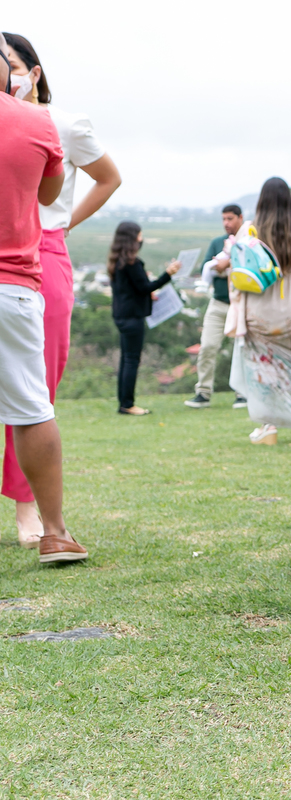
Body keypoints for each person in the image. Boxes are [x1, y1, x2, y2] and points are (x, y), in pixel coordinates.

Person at [1, 33, 121, 547]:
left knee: (35, 388)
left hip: (40, 251)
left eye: (11, 63)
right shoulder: (33, 125)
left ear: (34, 70)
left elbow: (107, 178)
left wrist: (62, 225)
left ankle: (28, 509)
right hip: (16, 266)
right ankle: (50, 526)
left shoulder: (63, 124)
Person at [0, 32, 87, 562]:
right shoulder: (37, 122)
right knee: (32, 406)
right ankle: (53, 532)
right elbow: (49, 194)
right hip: (15, 285)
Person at [224, 178, 291, 446]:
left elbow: (237, 268)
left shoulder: (251, 229)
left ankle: (269, 427)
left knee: (262, 366)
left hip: (260, 305)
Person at [109, 222, 181, 416]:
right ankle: (128, 404)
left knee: (126, 360)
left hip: (121, 315)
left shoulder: (116, 261)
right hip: (132, 317)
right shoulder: (133, 263)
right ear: (134, 238)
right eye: (140, 236)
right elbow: (146, 287)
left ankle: (124, 402)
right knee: (131, 360)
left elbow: (131, 289)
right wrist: (169, 273)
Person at [184, 204, 247, 410]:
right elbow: (207, 268)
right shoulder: (216, 243)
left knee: (242, 350)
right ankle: (203, 392)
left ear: (240, 218)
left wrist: (227, 264)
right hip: (218, 302)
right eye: (223, 219)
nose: (226, 223)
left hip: (241, 304)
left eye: (230, 219)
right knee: (208, 346)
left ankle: (243, 393)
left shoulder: (249, 241)